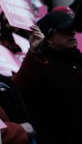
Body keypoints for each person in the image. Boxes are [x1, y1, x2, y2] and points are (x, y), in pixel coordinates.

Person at [26, 11, 82, 143]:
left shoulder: (78, 60)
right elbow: (41, 119)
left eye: (73, 29)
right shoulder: (41, 68)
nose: (72, 33)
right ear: (49, 38)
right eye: (65, 30)